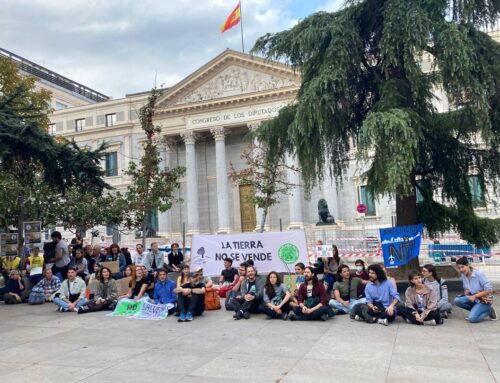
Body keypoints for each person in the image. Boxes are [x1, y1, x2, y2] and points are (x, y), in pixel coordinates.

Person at [454, 257, 497, 323]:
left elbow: (489, 289)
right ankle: (476, 311)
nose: (461, 270)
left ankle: (489, 311)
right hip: (474, 299)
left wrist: (475, 296)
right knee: (457, 300)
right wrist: (466, 291)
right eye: (459, 268)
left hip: (484, 300)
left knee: (472, 319)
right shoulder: (463, 275)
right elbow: (467, 289)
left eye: (462, 267)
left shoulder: (478, 274)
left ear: (468, 265)